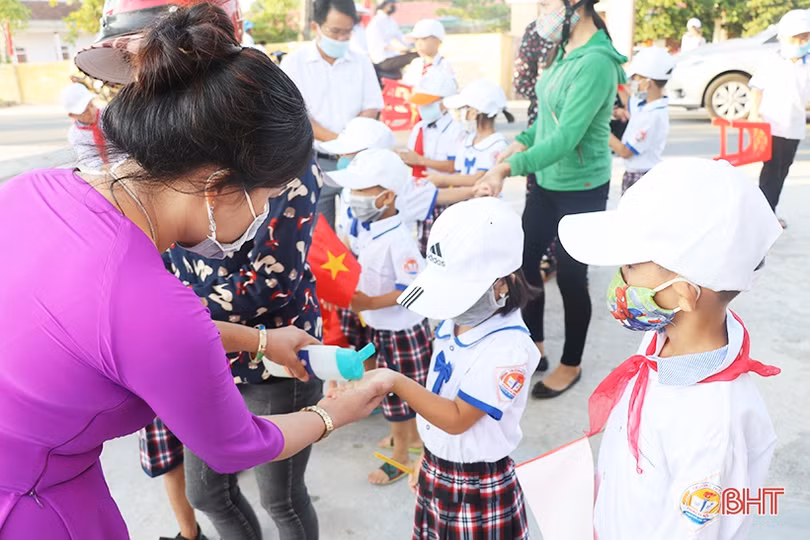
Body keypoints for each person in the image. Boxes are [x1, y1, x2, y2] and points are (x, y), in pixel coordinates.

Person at [0, 5, 388, 538]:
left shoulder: (28, 191)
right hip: (36, 508)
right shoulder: (151, 303)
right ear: (219, 186)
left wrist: (258, 340)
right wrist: (333, 415)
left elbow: (100, 336)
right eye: (266, 200)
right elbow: (235, 445)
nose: (266, 217)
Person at [557, 158, 783, 539]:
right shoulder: (667, 334)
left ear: (682, 294)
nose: (618, 278)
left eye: (629, 264)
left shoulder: (712, 427)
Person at [139, 162, 324, 540]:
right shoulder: (175, 157)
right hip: (203, 350)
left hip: (277, 358)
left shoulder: (289, 164)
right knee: (206, 492)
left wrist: (171, 313)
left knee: (280, 499)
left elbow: (271, 281)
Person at [475, 0, 626, 399]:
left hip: (581, 185)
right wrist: (520, 144)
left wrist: (510, 168)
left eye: (546, 3)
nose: (541, 11)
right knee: (523, 265)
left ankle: (570, 364)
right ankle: (535, 345)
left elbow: (566, 138)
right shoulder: (563, 50)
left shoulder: (597, 63)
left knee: (572, 277)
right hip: (546, 181)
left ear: (576, 6)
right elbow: (546, 122)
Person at [375, 196, 540, 539]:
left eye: (458, 293)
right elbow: (441, 393)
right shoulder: (457, 320)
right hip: (440, 466)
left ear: (503, 283)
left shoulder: (508, 349)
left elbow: (455, 417)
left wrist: (395, 382)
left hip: (477, 485)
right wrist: (430, 455)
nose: (449, 304)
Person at [329, 149, 434, 485]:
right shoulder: (372, 228)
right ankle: (407, 439)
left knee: (399, 394)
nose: (352, 198)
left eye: (361, 191)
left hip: (400, 331)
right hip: (380, 327)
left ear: (386, 196)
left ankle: (401, 456)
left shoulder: (399, 239)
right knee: (386, 390)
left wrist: (369, 302)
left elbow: (416, 289)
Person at [280, 0, 384, 228]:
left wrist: (353, 144)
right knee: (320, 236)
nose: (341, 39)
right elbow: (298, 117)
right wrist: (341, 143)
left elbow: (372, 106)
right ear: (316, 26)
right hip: (315, 162)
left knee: (360, 231)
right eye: (335, 31)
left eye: (347, 32)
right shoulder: (294, 64)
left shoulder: (361, 61)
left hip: (357, 160)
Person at [748, 8, 810, 228]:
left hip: (794, 128)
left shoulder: (807, 63)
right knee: (770, 171)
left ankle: (769, 212)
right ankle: (763, 216)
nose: (802, 42)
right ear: (784, 37)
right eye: (798, 37)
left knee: (783, 170)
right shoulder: (772, 60)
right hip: (770, 125)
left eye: (806, 37)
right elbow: (757, 89)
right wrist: (754, 116)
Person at [399, 69, 464, 256]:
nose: (422, 107)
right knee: (424, 246)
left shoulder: (456, 130)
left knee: (447, 248)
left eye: (428, 103)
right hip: (422, 195)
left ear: (444, 102)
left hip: (447, 196)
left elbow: (453, 166)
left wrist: (421, 160)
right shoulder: (419, 128)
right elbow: (414, 159)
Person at [427, 79, 514, 204]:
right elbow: (460, 175)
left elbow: (479, 179)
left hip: (484, 208)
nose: (460, 114)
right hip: (462, 204)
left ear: (473, 113)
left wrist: (442, 180)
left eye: (463, 109)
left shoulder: (498, 145)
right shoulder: (468, 139)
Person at [608, 47, 674, 194]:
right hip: (635, 174)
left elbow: (625, 152)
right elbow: (629, 101)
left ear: (647, 82)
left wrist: (601, 130)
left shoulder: (652, 117)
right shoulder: (646, 103)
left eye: (635, 79)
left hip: (641, 178)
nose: (632, 83)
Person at [61, 82, 108, 172]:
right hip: (102, 170)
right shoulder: (75, 134)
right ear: (72, 115)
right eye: (85, 111)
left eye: (91, 105)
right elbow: (87, 156)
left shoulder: (109, 115)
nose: (91, 112)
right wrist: (103, 167)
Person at [401, 19, 455, 88]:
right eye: (416, 40)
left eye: (423, 39)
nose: (419, 44)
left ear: (437, 41)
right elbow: (406, 84)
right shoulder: (416, 63)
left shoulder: (444, 66)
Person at [366, 0, 414, 69]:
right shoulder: (376, 22)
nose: (393, 5)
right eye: (391, 3)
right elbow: (379, 45)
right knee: (415, 56)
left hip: (392, 56)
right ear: (383, 5)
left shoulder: (390, 20)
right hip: (382, 60)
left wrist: (413, 45)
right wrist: (399, 49)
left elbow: (401, 37)